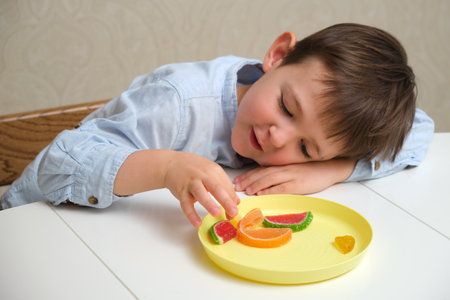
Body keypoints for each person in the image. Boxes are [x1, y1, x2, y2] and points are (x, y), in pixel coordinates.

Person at [0, 23, 434, 227]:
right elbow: (57, 165)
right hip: (30, 226)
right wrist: (166, 168)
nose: (277, 137)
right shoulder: (180, 103)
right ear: (278, 56)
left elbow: (421, 129)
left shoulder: (321, 145)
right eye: (286, 106)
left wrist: (327, 169)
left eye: (305, 147)